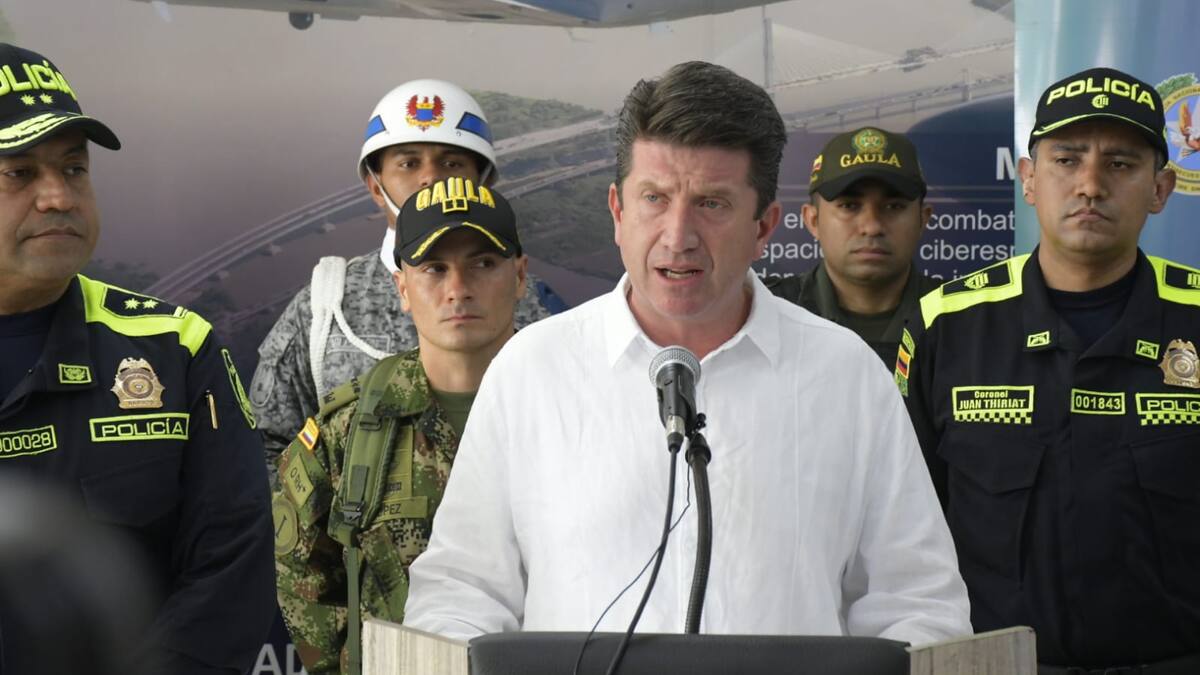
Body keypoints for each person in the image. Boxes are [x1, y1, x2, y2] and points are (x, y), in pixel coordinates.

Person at [404, 61, 970, 644]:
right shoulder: (532, 371)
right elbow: (462, 594)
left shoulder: (846, 376)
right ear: (618, 212)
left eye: (712, 204)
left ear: (764, 226)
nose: (678, 236)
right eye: (654, 198)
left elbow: (916, 603)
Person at [899, 67, 1200, 672]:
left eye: (1120, 164)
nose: (1090, 184)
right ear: (1029, 178)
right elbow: (900, 531)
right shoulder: (946, 327)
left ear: (1160, 188)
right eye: (1066, 160)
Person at [0, 43, 274, 673]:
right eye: (19, 172)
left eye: (74, 168)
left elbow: (231, 566)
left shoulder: (176, 348)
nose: (59, 196)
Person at [250, 79, 564, 485]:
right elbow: (264, 446)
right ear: (375, 186)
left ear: (482, 180)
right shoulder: (325, 306)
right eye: (408, 163)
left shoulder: (536, 304)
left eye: (452, 164)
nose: (430, 179)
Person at [273, 177, 528, 674]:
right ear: (403, 289)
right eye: (435, 268)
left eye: (482, 263)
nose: (458, 289)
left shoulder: (572, 406)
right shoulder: (348, 432)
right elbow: (302, 580)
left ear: (519, 276)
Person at [767, 127, 938, 364]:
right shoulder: (765, 315)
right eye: (849, 206)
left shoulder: (967, 318)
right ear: (813, 220)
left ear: (923, 219)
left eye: (894, 206)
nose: (872, 227)